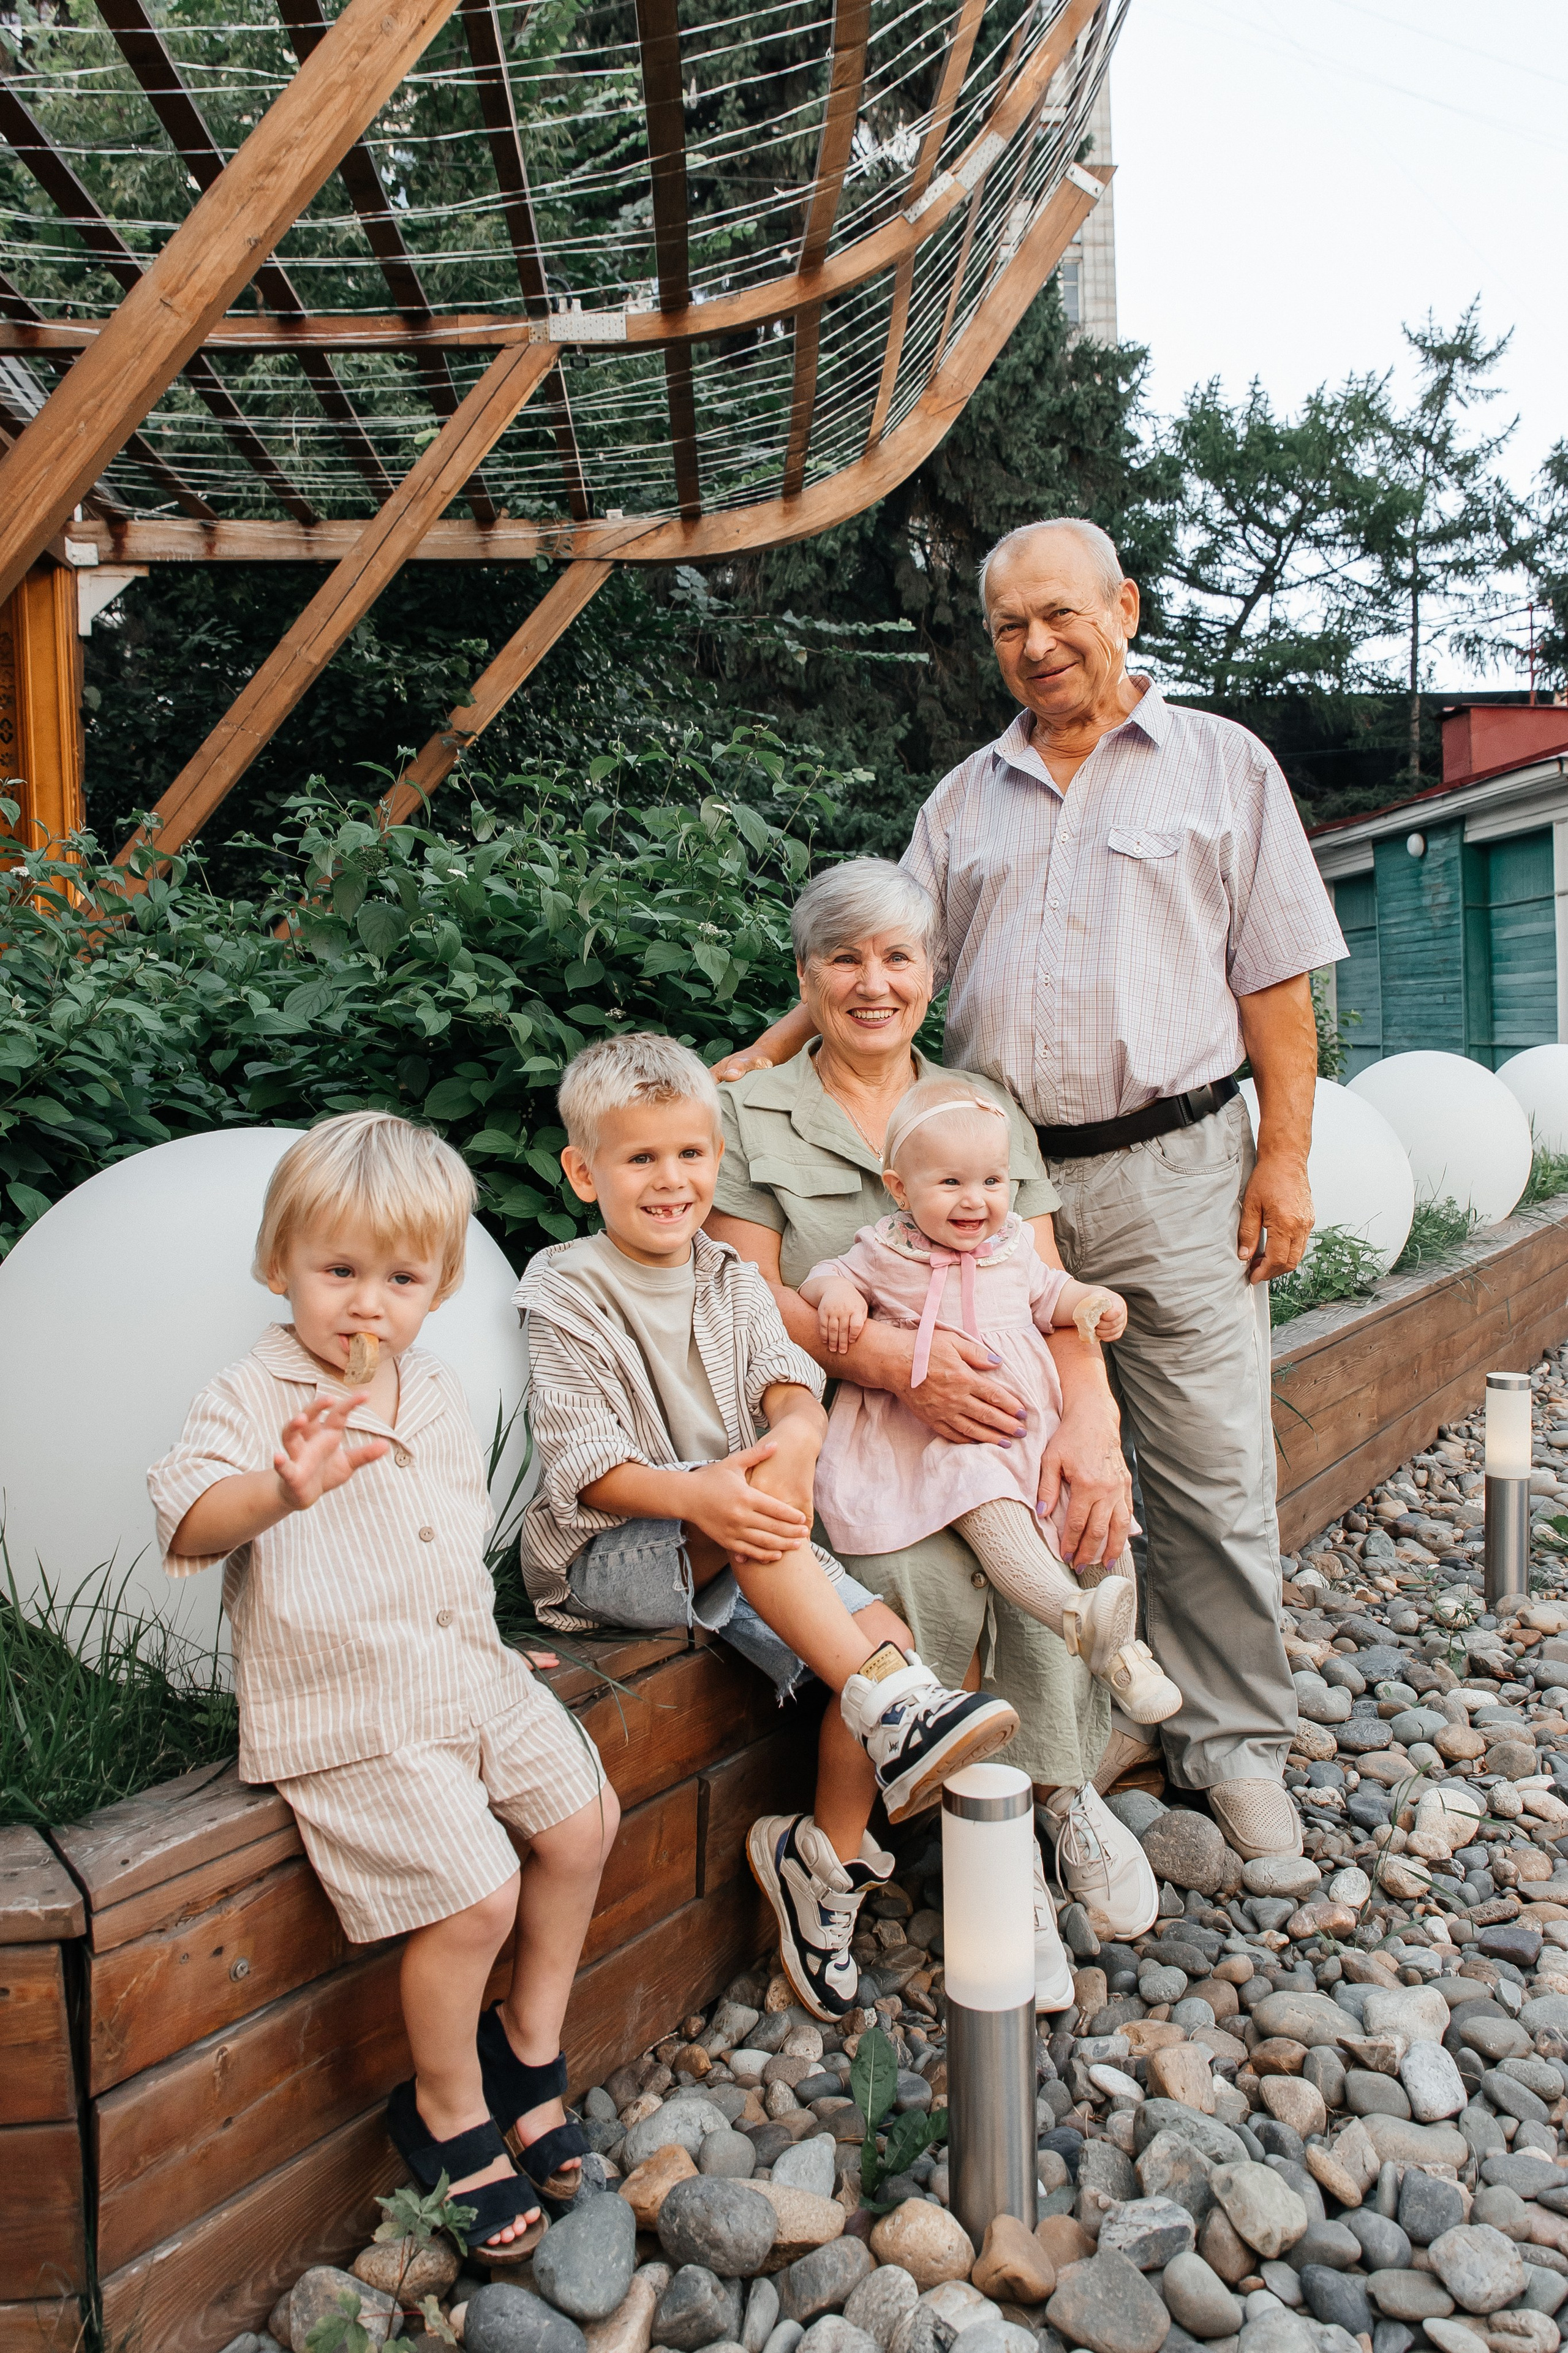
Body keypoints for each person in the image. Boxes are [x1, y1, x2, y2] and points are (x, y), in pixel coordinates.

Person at [715, 516, 1348, 1863]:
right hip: (989, 1191)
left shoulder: (1221, 768)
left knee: (1210, 1461)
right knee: (1023, 1452)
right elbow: (868, 952)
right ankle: (1073, 1744)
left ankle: (1230, 1744)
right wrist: (759, 1061)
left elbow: (1276, 983)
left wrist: (1283, 1158)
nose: (1037, 646)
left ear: (1123, 605)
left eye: (1061, 616)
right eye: (1008, 627)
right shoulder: (961, 800)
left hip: (1177, 1166)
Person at [148, 1112, 618, 2260]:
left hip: (460, 1665)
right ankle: (447, 2105)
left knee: (586, 1817)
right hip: (347, 1704)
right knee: (476, 1899)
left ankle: (528, 2045)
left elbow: (446, 1539)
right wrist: (278, 1489)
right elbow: (187, 1514)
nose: (368, 1305)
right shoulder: (256, 1394)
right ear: (281, 1267)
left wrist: (487, 1636)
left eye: (400, 1278)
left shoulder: (437, 1389)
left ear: (440, 1286)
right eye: (339, 1272)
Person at [704, 858, 1163, 1973]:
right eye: (845, 958)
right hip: (851, 1426)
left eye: (899, 957)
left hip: (1006, 1408)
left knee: (1065, 1511)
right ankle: (990, 1847)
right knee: (918, 1580)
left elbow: (1048, 1289)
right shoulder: (747, 1111)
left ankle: (1060, 1793)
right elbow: (746, 1292)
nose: (874, 982)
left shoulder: (980, 1106)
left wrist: (1090, 1425)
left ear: (932, 974)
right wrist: (897, 1365)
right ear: (804, 974)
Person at [511, 1032, 1019, 2023]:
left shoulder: (728, 1276)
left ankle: (818, 1864)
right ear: (583, 1172)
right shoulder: (566, 1290)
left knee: (888, 1640)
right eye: (641, 1157)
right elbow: (588, 1470)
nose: (673, 1180)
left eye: (692, 1154)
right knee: (768, 1531)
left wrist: (794, 1437)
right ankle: (902, 1711)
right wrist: (710, 1493)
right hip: (609, 1553)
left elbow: (789, 1385)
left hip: (740, 1520)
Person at [801, 1073, 1181, 1726]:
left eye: (992, 1181)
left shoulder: (1012, 1249)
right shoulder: (886, 1248)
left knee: (1087, 1510)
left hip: (1028, 1426)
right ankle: (1070, 1614)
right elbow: (830, 1275)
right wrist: (838, 1297)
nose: (975, 1200)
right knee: (982, 1491)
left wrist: (1093, 1303)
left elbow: (1051, 1293)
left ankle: (1123, 1652)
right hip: (938, 1436)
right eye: (950, 1183)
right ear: (900, 1188)